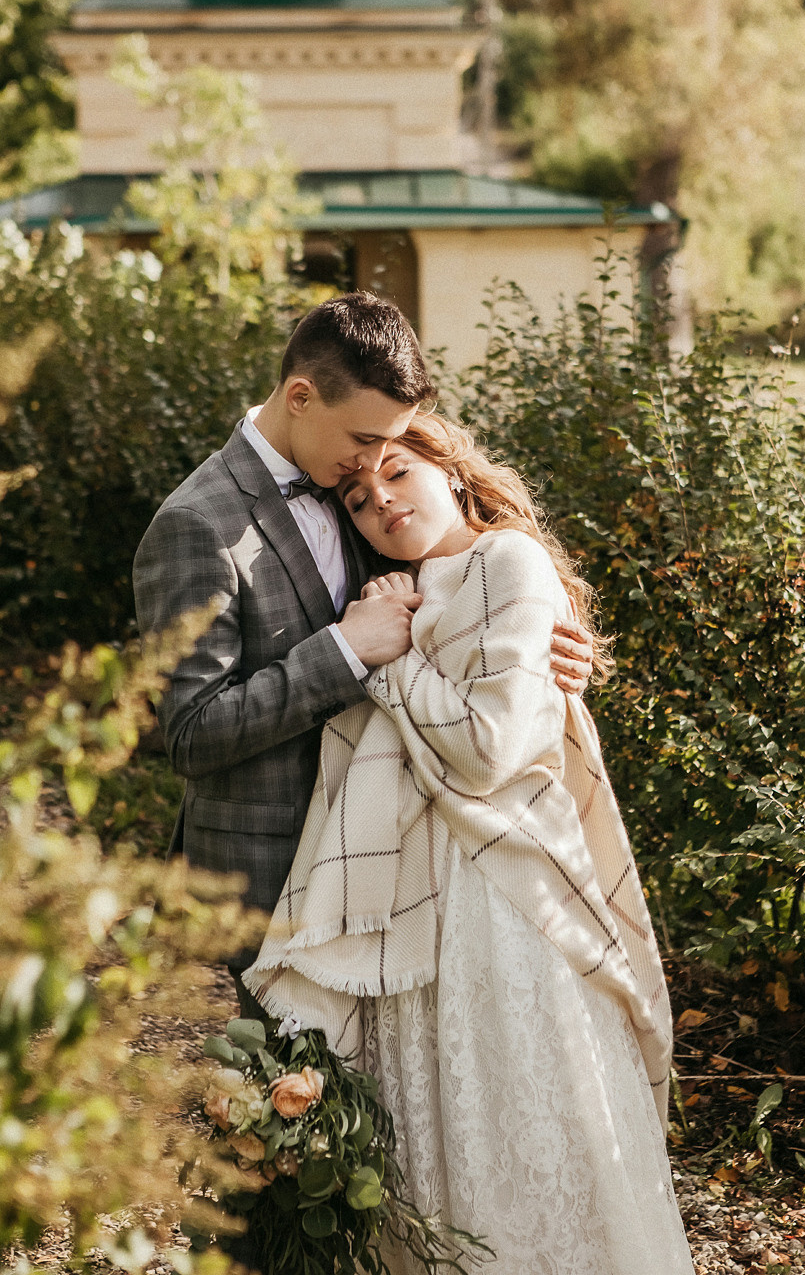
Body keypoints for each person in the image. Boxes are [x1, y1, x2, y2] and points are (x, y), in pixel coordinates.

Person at [245, 413, 693, 1275]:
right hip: (415, 895)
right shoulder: (401, 590)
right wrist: (385, 627)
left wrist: (389, 654)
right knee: (440, 1123)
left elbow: (488, 751)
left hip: (502, 889)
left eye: (397, 474)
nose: (379, 500)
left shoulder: (506, 562)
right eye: (357, 495)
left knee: (522, 1103)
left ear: (449, 470)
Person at [133, 294, 594, 1006]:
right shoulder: (197, 524)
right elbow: (190, 734)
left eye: (393, 444)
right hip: (264, 881)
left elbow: (451, 602)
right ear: (300, 396)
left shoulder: (359, 485)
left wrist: (540, 654)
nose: (376, 461)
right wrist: (343, 651)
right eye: (365, 437)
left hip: (399, 870)